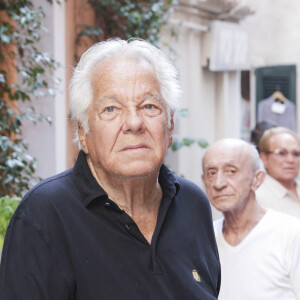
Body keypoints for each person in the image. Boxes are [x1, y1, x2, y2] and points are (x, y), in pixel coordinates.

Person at [0, 38, 220, 300]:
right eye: (111, 109)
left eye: (149, 106)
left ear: (170, 125)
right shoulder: (45, 214)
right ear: (83, 132)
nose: (134, 123)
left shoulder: (192, 204)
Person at [201, 138, 300, 300]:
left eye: (231, 171)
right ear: (204, 181)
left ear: (257, 179)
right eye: (211, 173)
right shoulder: (204, 238)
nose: (218, 183)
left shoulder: (292, 234)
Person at [256, 127, 300, 219]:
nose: (290, 160)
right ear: (264, 158)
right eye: (281, 153)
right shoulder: (256, 199)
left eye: (296, 153)